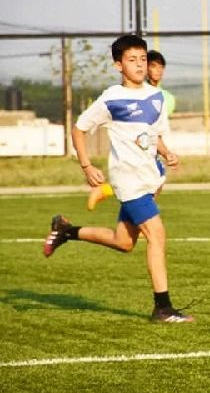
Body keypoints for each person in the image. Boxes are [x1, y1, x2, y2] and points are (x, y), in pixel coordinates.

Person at [43, 34, 193, 323]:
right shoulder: (111, 98)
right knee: (157, 235)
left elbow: (153, 134)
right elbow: (79, 129)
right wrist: (87, 166)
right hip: (129, 180)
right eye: (132, 59)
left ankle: (66, 230)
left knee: (123, 241)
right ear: (118, 65)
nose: (139, 64)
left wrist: (167, 153)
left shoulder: (157, 96)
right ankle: (162, 308)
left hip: (150, 178)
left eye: (143, 59)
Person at [87, 49, 176, 210]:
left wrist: (165, 151)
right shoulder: (136, 95)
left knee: (153, 186)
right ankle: (106, 191)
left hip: (152, 149)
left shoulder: (164, 96)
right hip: (140, 150)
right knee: (148, 186)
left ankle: (136, 217)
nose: (158, 70)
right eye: (153, 66)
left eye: (161, 66)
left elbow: (157, 128)